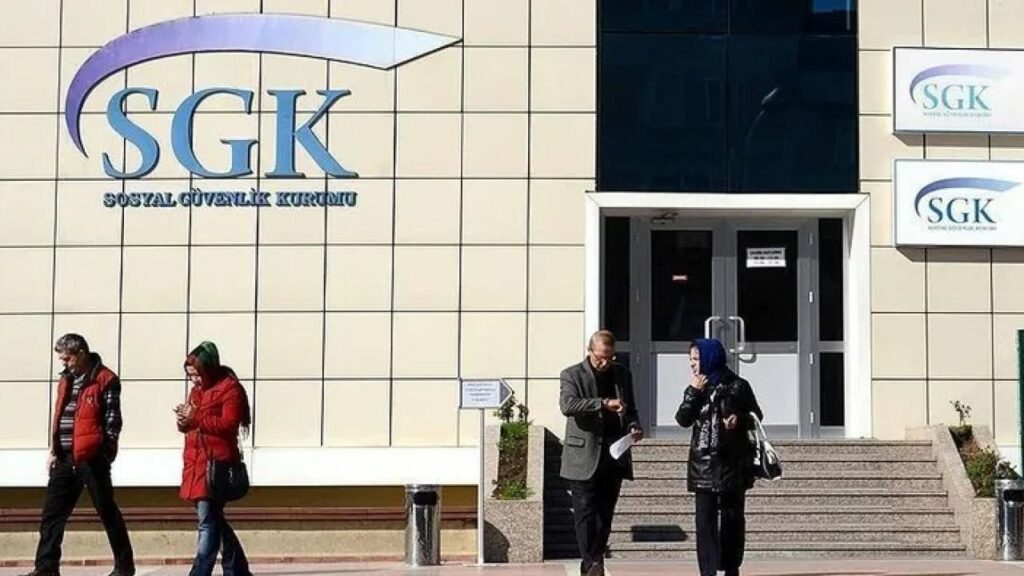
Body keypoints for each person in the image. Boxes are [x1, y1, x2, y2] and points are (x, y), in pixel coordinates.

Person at [21, 334, 135, 576]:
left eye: (67, 358)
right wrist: (54, 449)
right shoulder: (66, 379)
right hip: (64, 457)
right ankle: (46, 567)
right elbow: (61, 414)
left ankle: (124, 566)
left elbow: (113, 421)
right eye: (62, 359)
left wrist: (105, 453)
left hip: (92, 458)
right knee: (52, 514)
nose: (65, 363)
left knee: (106, 511)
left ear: (81, 354)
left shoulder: (105, 379)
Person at [675, 338, 763, 576]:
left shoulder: (738, 386)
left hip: (732, 464)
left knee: (732, 520)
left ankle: (732, 567)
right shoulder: (697, 387)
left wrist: (739, 419)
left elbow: (756, 416)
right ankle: (708, 571)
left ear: (710, 358)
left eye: (696, 359)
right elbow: (683, 419)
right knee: (705, 523)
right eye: (691, 359)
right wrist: (693, 392)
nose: (692, 364)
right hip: (703, 465)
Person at [559, 330, 643, 576]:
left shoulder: (622, 374)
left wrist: (634, 426)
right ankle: (591, 562)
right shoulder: (572, 374)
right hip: (583, 453)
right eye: (600, 357)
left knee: (605, 513)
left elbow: (631, 409)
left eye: (610, 357)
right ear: (589, 351)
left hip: (614, 453)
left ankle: (594, 562)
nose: (605, 363)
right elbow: (568, 405)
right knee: (585, 511)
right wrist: (603, 403)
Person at [175, 342, 253, 576]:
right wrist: (184, 421)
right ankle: (237, 569)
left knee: (207, 522)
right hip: (195, 462)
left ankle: (200, 572)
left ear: (209, 369)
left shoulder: (230, 389)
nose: (195, 381)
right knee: (214, 520)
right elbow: (194, 422)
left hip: (215, 464)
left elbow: (229, 425)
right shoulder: (197, 391)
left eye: (197, 375)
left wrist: (195, 417)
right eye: (190, 376)